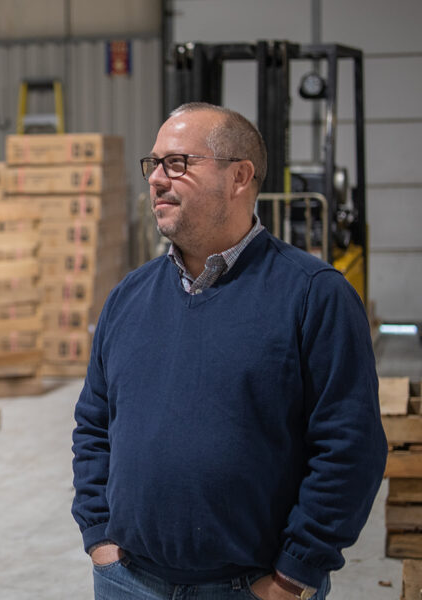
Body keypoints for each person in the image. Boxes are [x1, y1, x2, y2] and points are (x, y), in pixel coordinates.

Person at [72, 102, 387, 600]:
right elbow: (94, 424)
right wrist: (99, 537)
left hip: (250, 587)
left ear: (239, 176)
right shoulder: (128, 297)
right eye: (153, 163)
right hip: (127, 579)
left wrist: (293, 576)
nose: (155, 179)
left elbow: (349, 447)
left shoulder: (314, 295)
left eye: (177, 163)